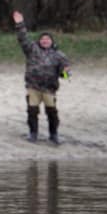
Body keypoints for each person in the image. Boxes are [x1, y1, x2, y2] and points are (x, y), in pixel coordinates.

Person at [13, 10, 72, 144]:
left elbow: (65, 75)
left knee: (52, 112)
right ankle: (33, 133)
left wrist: (66, 72)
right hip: (33, 87)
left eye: (48, 39)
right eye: (43, 39)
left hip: (49, 89)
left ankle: (53, 134)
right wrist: (20, 24)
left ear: (52, 41)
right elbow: (22, 38)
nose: (45, 41)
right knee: (32, 111)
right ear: (39, 41)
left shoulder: (59, 55)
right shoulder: (32, 49)